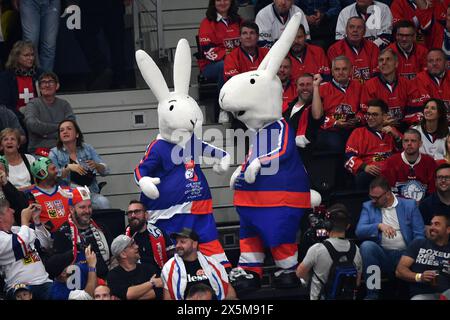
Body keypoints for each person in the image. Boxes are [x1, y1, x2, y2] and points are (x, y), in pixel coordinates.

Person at [355, 176, 425, 299]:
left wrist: (410, 254)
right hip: (383, 254)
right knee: (367, 246)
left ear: (387, 194)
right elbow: (359, 231)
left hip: (406, 255)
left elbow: (419, 235)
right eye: (371, 197)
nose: (373, 200)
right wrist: (379, 225)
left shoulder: (409, 205)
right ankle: (372, 294)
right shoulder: (368, 206)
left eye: (376, 197)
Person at [296, 203, 363, 300]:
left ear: (327, 225)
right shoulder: (356, 250)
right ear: (348, 226)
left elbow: (299, 273)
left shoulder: (317, 249)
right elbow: (357, 282)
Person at [45, 186, 111, 281]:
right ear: (71, 209)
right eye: (82, 207)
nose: (87, 211)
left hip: (105, 280)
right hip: (79, 284)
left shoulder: (101, 227)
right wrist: (73, 252)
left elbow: (114, 256)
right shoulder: (63, 232)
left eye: (89, 206)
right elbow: (52, 266)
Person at [49, 119, 110, 209]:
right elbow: (53, 176)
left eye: (69, 129)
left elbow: (106, 171)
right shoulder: (54, 153)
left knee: (103, 202)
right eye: (62, 130)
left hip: (89, 192)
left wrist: (97, 165)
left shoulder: (87, 148)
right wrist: (67, 168)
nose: (65, 132)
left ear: (77, 134)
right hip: (67, 194)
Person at [162, 228, 237, 300]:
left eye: (182, 242)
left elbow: (230, 294)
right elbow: (168, 298)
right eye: (177, 242)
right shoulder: (169, 268)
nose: (178, 245)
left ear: (194, 244)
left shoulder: (213, 264)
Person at [0, 199, 53, 300]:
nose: (13, 211)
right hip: (19, 287)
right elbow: (21, 243)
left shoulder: (18, 230)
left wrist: (36, 221)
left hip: (44, 282)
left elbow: (46, 245)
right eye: (8, 209)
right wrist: (24, 220)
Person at [345, 99, 402, 189]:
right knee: (362, 178)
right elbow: (348, 158)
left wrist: (397, 137)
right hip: (370, 173)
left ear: (384, 116)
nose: (370, 118)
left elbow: (405, 154)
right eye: (368, 114)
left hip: (391, 172)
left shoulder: (393, 132)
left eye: (374, 114)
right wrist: (364, 167)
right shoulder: (358, 132)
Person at [360, 48, 419, 129]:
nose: (384, 62)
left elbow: (414, 109)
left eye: (388, 59)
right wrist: (381, 122)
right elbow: (366, 112)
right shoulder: (369, 85)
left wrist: (405, 123)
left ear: (396, 64)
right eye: (381, 60)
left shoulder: (407, 84)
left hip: (404, 126)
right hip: (380, 128)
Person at [395, 213, 450, 300]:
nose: (432, 227)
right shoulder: (419, 244)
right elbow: (399, 271)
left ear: (448, 229)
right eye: (431, 224)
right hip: (423, 295)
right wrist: (420, 277)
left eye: (437, 224)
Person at [316, 55, 363, 154]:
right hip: (331, 130)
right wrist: (335, 123)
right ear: (332, 72)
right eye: (337, 69)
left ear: (351, 71)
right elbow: (317, 117)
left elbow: (364, 110)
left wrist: (358, 118)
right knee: (337, 144)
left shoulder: (360, 87)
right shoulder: (322, 89)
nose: (341, 72)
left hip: (354, 128)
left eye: (344, 69)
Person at [23, 71, 75, 154]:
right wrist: (60, 127)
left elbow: (71, 127)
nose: (47, 85)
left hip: (63, 149)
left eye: (50, 82)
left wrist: (45, 134)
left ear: (57, 86)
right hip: (40, 151)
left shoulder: (64, 104)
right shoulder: (33, 104)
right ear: (39, 88)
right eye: (43, 82)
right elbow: (32, 125)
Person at [381, 128, 437, 202]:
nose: (409, 143)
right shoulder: (391, 162)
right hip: (399, 206)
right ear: (403, 143)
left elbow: (432, 191)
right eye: (406, 141)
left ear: (420, 144)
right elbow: (387, 191)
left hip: (424, 206)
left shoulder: (429, 162)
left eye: (413, 141)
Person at [282, 73, 324, 169]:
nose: (305, 88)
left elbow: (317, 115)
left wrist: (316, 86)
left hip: (304, 156)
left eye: (309, 84)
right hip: (284, 152)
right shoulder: (288, 107)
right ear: (296, 88)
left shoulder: (315, 105)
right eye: (301, 85)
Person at [198, 0, 241, 90]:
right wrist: (231, 57)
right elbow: (208, 50)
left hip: (237, 60)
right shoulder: (206, 23)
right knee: (225, 66)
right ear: (213, 3)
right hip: (211, 65)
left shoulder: (239, 20)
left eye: (225, 0)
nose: (222, 3)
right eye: (218, 0)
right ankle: (223, 101)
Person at [107, 234, 164, 300]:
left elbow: (159, 292)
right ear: (123, 254)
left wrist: (134, 295)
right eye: (131, 245)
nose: (137, 246)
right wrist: (152, 283)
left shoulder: (149, 268)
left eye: (135, 243)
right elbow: (128, 294)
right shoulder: (113, 275)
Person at [124, 200, 173, 272]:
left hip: (160, 277)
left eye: (137, 212)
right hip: (134, 279)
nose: (133, 215)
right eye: (130, 213)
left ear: (146, 215)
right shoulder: (124, 237)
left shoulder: (159, 234)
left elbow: (172, 257)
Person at [328, 16, 379, 83]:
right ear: (346, 30)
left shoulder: (373, 48)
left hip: (369, 89)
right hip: (347, 90)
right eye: (351, 27)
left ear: (364, 31)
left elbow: (376, 74)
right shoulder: (334, 49)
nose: (355, 30)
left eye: (359, 27)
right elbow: (336, 77)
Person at [27, 157, 71, 233]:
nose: (57, 171)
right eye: (53, 169)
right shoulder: (31, 195)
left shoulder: (66, 190)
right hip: (48, 240)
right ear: (42, 173)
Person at [0, 41, 42, 119]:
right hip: (14, 118)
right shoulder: (6, 77)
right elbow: (4, 104)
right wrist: (21, 116)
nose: (31, 58)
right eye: (26, 55)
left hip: (37, 116)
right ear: (16, 57)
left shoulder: (40, 74)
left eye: (32, 55)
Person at [16, 0, 60, 72]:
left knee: (49, 45)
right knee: (30, 42)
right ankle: (29, 79)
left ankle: (44, 79)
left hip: (52, 2)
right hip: (28, 2)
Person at [415, 49, 450, 121]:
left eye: (438, 60)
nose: (434, 63)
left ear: (446, 63)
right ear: (426, 64)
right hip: (430, 122)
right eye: (431, 61)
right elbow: (427, 107)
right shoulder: (419, 79)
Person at [419, 164, 450, 228]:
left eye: (447, 177)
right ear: (435, 181)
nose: (443, 180)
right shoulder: (425, 206)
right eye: (440, 177)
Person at [0, 155, 28, 222]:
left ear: (7, 173)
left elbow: (23, 207)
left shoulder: (13, 191)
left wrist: (5, 183)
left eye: (0, 169)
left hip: (15, 227)